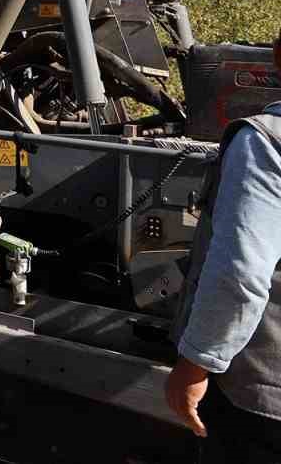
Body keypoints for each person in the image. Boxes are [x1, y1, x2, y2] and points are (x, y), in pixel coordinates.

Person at [166, 25, 281, 461]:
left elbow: (241, 274)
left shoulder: (267, 141)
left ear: (275, 58)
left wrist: (196, 363)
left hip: (263, 401)